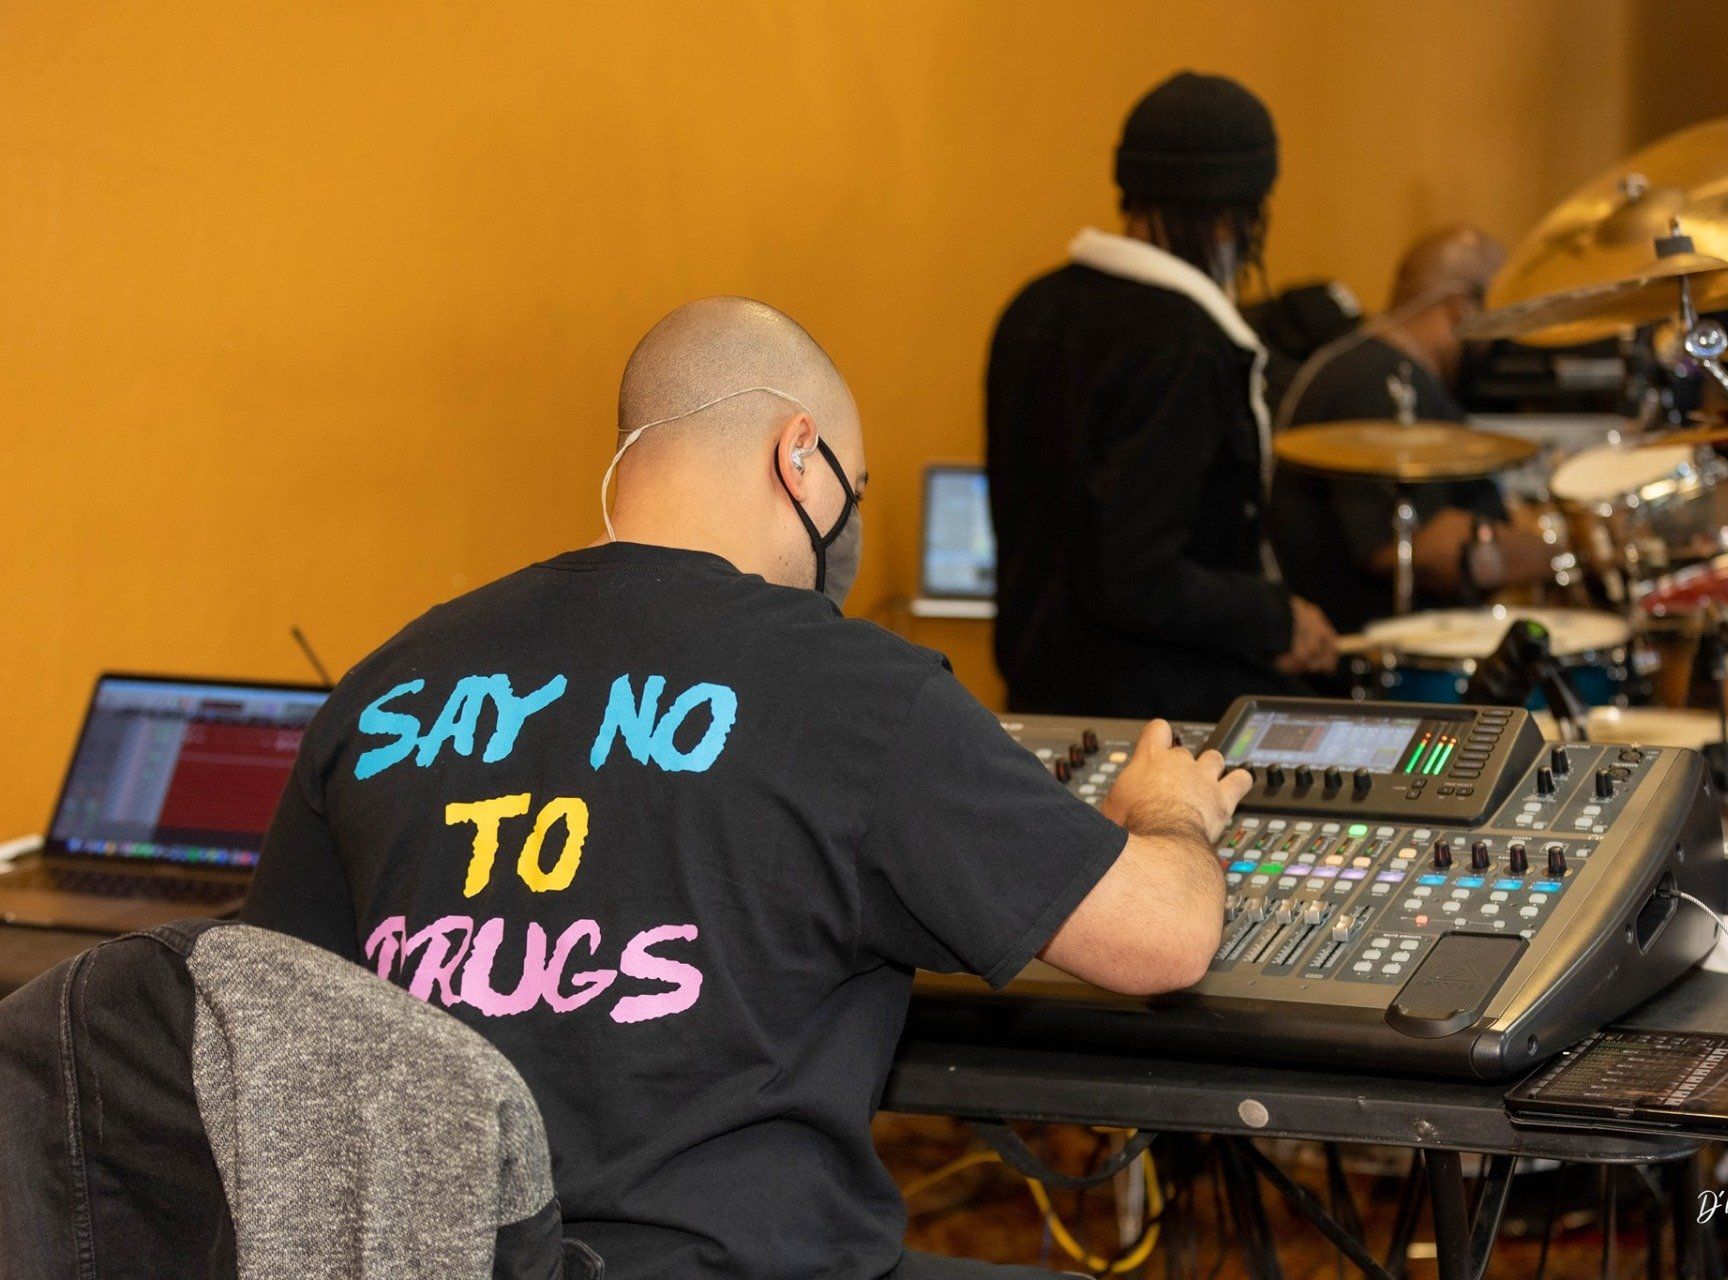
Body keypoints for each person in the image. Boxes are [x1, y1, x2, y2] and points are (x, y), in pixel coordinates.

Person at [242, 296, 1253, 1280]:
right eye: (853, 486)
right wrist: (1170, 807)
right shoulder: (859, 694)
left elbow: (266, 1030)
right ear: (797, 453)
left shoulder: (385, 686)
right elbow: (1161, 937)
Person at [986, 71, 1337, 723]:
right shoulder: (1185, 342)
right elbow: (1133, 575)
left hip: (1040, 699)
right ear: (1234, 219)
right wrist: (1275, 617)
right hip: (1156, 712)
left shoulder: (1033, 308)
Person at [1273, 225, 1555, 633]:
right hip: (1366, 650)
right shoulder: (1372, 382)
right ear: (1463, 308)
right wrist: (1562, 556)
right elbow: (1419, 551)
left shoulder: (1404, 376)